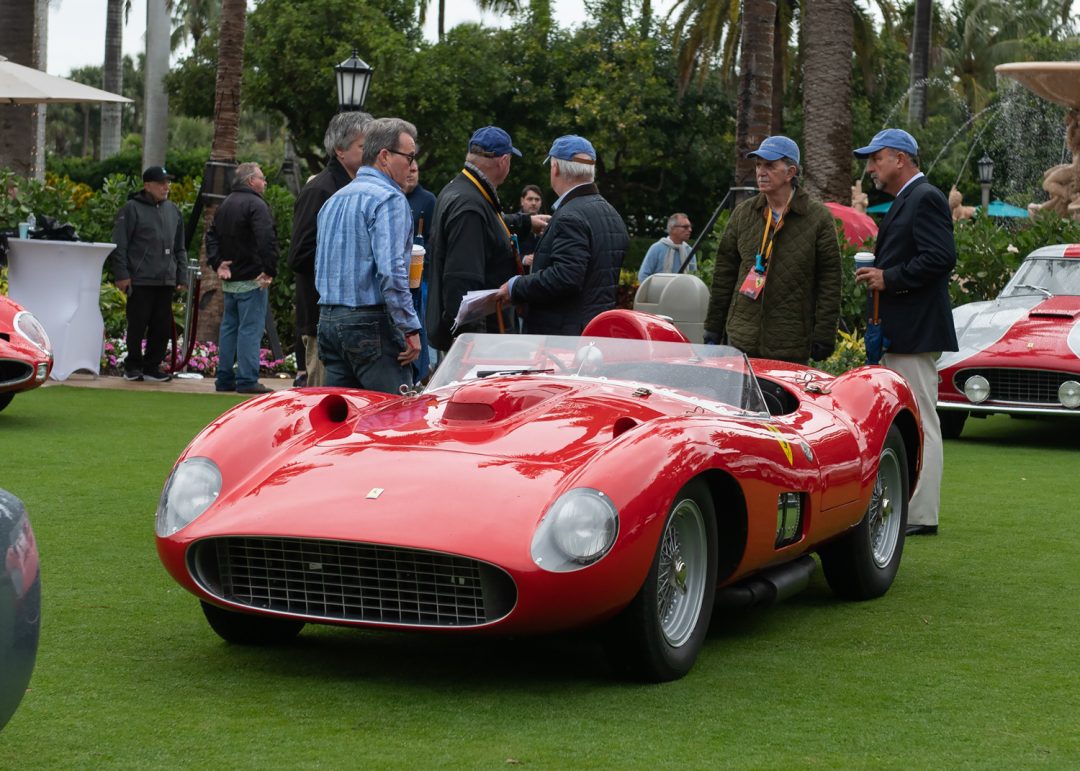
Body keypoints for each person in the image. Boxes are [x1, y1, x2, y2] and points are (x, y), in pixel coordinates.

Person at [853, 128, 958, 536]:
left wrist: (888, 277)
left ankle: (920, 513)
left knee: (922, 422)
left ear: (900, 158)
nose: (870, 167)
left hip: (915, 332)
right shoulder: (909, 198)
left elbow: (941, 257)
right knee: (912, 421)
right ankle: (911, 509)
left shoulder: (925, 196)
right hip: (904, 330)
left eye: (875, 159)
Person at [702, 135, 841, 364]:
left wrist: (824, 335)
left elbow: (830, 281)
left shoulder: (818, 218)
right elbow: (724, 274)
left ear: (790, 172)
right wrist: (713, 327)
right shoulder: (743, 213)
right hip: (741, 341)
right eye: (758, 165)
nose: (760, 172)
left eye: (769, 165)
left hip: (789, 344)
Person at [314, 117, 422, 393]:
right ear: (384, 156)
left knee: (341, 423)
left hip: (329, 320)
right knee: (392, 421)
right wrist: (409, 328)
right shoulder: (389, 198)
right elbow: (391, 271)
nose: (412, 166)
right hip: (370, 322)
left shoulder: (334, 200)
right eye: (408, 157)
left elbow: (320, 267)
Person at [426, 126, 549, 351]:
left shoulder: (462, 189)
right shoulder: (471, 205)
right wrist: (468, 345)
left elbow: (490, 226)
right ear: (503, 161)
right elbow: (462, 280)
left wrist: (526, 222)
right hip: (478, 341)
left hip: (474, 336)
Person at [496, 135, 629, 335]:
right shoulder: (611, 213)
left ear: (555, 167)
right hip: (595, 332)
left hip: (563, 340)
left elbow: (566, 277)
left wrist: (516, 286)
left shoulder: (570, 215)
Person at [288, 111, 373, 388]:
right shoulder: (320, 191)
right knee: (325, 405)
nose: (371, 152)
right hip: (323, 320)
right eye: (363, 146)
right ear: (340, 150)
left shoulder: (358, 187)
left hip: (350, 319)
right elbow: (299, 255)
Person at [110, 165, 187, 383]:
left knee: (161, 326)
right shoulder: (131, 209)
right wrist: (122, 275)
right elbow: (120, 244)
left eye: (167, 182)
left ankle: (153, 366)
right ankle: (132, 366)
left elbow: (179, 247)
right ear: (147, 185)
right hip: (140, 279)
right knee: (137, 324)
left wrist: (180, 276)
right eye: (161, 183)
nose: (166, 187)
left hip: (165, 280)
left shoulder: (173, 210)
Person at [205, 162, 278, 395]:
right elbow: (266, 238)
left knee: (229, 328)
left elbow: (211, 235)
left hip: (230, 278)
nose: (265, 182)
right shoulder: (256, 204)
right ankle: (247, 379)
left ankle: (224, 378)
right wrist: (270, 269)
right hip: (252, 278)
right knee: (250, 329)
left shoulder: (226, 203)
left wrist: (218, 262)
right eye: (262, 178)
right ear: (251, 181)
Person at [404, 165, 436, 381]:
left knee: (420, 319)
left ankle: (426, 368)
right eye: (408, 170)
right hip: (400, 275)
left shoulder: (427, 199)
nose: (410, 175)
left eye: (414, 171)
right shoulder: (394, 195)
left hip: (421, 274)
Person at [638, 212, 695, 282]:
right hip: (659, 292)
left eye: (690, 227)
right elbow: (643, 275)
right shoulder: (656, 248)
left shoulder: (689, 251)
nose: (690, 230)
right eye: (685, 227)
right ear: (673, 228)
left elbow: (694, 278)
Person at [517, 184, 544, 266]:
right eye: (530, 199)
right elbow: (504, 252)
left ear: (541, 202)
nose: (533, 203)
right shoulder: (513, 223)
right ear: (522, 201)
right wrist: (523, 259)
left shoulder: (547, 224)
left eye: (537, 199)